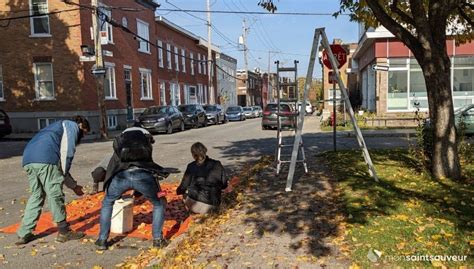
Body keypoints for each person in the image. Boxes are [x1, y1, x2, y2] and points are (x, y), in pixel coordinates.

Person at [16, 116, 90, 245]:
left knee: (36, 195)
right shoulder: (71, 126)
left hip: (28, 159)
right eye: (84, 132)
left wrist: (73, 186)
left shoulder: (54, 127)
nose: (82, 137)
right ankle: (64, 232)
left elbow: (60, 167)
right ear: (81, 125)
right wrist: (71, 184)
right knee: (55, 194)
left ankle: (24, 233)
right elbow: (66, 155)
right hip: (46, 160)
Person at [95, 127, 168, 250]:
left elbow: (112, 166)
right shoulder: (144, 142)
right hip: (143, 176)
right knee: (159, 203)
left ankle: (102, 240)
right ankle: (157, 240)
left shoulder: (121, 144)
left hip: (121, 177)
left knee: (107, 203)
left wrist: (107, 186)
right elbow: (149, 165)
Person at [176, 142, 227, 214]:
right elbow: (224, 184)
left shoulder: (191, 166)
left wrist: (178, 191)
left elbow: (183, 187)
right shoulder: (217, 164)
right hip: (215, 204)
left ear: (193, 155)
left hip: (196, 205)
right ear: (205, 151)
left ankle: (192, 213)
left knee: (184, 194)